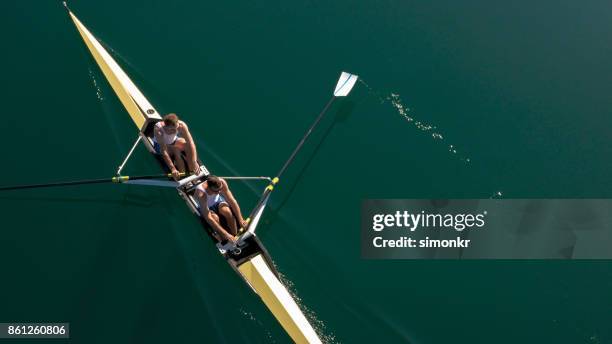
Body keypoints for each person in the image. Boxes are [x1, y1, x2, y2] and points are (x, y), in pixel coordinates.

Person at [195, 175, 248, 244]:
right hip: (206, 207)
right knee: (215, 218)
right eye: (216, 191)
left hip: (218, 201)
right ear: (209, 188)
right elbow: (208, 217)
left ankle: (235, 234)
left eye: (220, 189)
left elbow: (232, 201)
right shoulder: (201, 194)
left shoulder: (222, 182)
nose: (219, 192)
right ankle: (224, 239)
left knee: (227, 211)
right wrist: (226, 234)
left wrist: (240, 219)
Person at [153, 113, 199, 179]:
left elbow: (191, 142)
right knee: (176, 150)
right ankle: (182, 177)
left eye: (176, 128)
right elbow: (164, 151)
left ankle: (193, 169)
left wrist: (194, 161)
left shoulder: (181, 125)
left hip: (173, 141)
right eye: (172, 129)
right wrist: (173, 169)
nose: (175, 131)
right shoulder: (159, 130)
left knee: (187, 146)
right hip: (160, 146)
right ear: (166, 126)